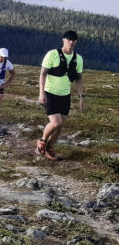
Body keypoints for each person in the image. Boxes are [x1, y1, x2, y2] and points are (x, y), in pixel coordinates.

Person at [36, 30, 84, 161]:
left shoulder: (78, 58)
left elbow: (78, 78)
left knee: (60, 125)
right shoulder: (53, 54)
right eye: (69, 39)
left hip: (65, 95)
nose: (71, 42)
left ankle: (49, 148)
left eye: (74, 40)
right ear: (63, 40)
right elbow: (43, 73)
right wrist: (41, 93)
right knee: (56, 122)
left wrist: (81, 97)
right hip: (50, 93)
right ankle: (42, 141)